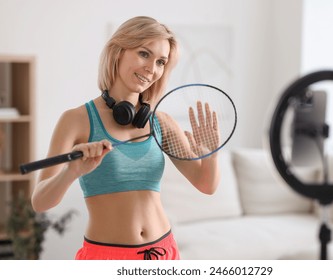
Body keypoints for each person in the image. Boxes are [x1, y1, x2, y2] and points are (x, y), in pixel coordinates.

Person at [31, 16, 220, 260]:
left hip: (163, 252)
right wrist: (72, 172)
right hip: (106, 256)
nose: (152, 69)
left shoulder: (160, 122)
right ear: (119, 51)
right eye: (144, 53)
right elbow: (40, 202)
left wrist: (211, 153)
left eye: (161, 62)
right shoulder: (76, 120)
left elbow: (206, 184)